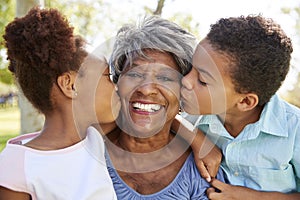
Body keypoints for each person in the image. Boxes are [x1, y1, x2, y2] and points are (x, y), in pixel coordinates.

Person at [0, 7, 120, 199]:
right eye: (108, 77)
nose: (117, 87)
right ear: (70, 85)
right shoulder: (16, 167)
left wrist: (188, 138)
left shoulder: (94, 137)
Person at [104, 15, 224, 199]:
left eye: (165, 78)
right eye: (135, 74)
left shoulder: (202, 171)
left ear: (184, 93)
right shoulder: (88, 152)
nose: (146, 90)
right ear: (117, 84)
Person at [180, 14, 300, 199]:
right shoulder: (192, 119)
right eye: (190, 68)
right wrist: (195, 137)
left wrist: (253, 197)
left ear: (245, 102)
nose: (186, 81)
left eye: (202, 81)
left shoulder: (294, 128)